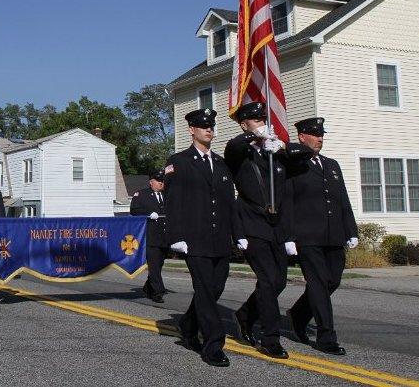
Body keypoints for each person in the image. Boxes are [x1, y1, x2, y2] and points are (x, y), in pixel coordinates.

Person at [224, 102, 313, 359]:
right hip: (252, 224)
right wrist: (256, 135)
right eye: (255, 120)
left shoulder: (275, 153)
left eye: (263, 119)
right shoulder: (241, 153)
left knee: (279, 282)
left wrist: (282, 145)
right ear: (244, 125)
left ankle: (245, 315)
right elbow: (233, 146)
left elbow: (305, 153)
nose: (262, 123)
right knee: (267, 279)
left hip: (277, 227)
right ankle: (270, 337)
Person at [165, 108, 245, 367]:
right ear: (191, 130)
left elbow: (229, 203)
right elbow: (173, 201)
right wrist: (176, 236)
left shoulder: (221, 163)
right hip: (194, 239)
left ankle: (188, 325)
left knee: (215, 288)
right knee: (204, 290)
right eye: (203, 126)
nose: (209, 130)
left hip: (220, 239)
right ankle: (213, 345)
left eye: (211, 126)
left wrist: (238, 234)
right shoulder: (179, 161)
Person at [288, 117, 358, 356]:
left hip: (334, 234)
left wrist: (351, 230)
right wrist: (289, 236)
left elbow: (342, 200)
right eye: (315, 134)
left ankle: (298, 313)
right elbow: (287, 201)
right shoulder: (294, 164)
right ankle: (326, 336)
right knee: (318, 284)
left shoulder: (331, 164)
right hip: (307, 236)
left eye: (321, 134)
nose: (320, 138)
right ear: (302, 137)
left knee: (332, 281)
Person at [130, 169, 169, 303]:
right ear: (151, 182)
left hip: (164, 237)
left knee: (159, 264)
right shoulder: (141, 194)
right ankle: (158, 292)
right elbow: (134, 210)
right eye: (158, 181)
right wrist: (148, 213)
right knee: (154, 265)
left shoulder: (167, 194)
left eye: (162, 181)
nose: (161, 183)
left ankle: (148, 287)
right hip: (150, 237)